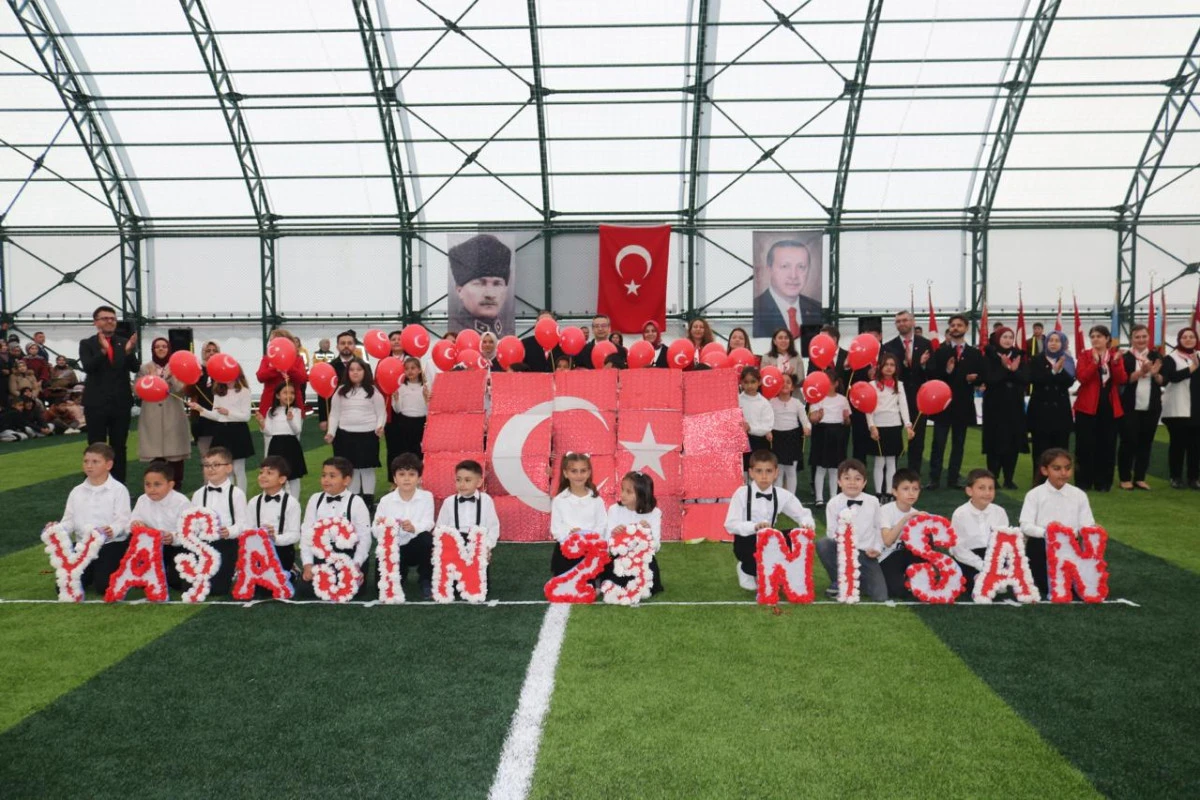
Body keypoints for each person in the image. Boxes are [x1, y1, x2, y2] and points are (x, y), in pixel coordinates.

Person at [724, 449, 814, 591]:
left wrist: (806, 524)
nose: (764, 476)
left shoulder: (782, 495)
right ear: (751, 473)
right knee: (751, 547)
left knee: (797, 537)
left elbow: (803, 514)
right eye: (759, 471)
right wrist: (754, 527)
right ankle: (745, 569)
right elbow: (730, 525)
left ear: (776, 473)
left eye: (769, 471)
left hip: (770, 541)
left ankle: (780, 573)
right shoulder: (741, 493)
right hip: (747, 541)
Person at [50, 443, 131, 596]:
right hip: (82, 545)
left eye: (95, 462)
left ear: (108, 465)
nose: (89, 465)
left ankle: (116, 567)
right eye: (86, 461)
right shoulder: (76, 492)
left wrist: (112, 529)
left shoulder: (119, 490)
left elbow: (123, 520)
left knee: (104, 587)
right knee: (65, 586)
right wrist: (58, 528)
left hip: (110, 544)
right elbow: (69, 520)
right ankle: (93, 569)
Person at [1019, 448, 1095, 596]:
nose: (1063, 473)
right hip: (1041, 546)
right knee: (1045, 587)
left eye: (1067, 468)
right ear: (1044, 470)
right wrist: (1049, 533)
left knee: (1074, 589)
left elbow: (1087, 525)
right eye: (1057, 468)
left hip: (1070, 547)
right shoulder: (1034, 495)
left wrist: (1070, 534)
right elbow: (1025, 525)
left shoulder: (1079, 495)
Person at [78, 305, 139, 483]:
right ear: (96, 322)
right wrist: (104, 350)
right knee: (96, 445)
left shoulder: (124, 342)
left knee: (119, 446)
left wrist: (129, 351)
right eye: (105, 318)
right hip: (96, 402)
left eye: (113, 318)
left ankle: (119, 487)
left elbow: (134, 367)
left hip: (120, 402)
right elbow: (88, 366)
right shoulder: (87, 343)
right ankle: (93, 485)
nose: (110, 321)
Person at [299, 457, 373, 599]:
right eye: (324, 475)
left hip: (349, 555)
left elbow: (364, 538)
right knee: (305, 590)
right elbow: (307, 534)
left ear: (346, 480)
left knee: (352, 592)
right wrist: (308, 564)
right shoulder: (315, 500)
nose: (326, 480)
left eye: (332, 476)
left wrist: (356, 565)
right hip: (321, 554)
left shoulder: (356, 502)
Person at [816, 458, 887, 602]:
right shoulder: (833, 503)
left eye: (857, 479)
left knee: (880, 596)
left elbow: (879, 528)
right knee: (824, 543)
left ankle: (857, 581)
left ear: (864, 482)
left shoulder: (873, 502)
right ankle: (839, 580)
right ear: (839, 482)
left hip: (866, 554)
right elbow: (831, 532)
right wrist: (846, 549)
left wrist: (877, 548)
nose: (852, 482)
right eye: (847, 478)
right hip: (843, 552)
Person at [926, 314, 982, 490]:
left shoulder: (974, 353)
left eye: (959, 325)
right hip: (943, 406)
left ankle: (953, 478)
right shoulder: (941, 352)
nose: (956, 328)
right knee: (938, 443)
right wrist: (947, 371)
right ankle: (934, 478)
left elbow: (982, 376)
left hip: (963, 405)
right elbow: (932, 376)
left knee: (958, 445)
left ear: (966, 328)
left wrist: (975, 379)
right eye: (953, 325)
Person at [324, 357, 386, 511]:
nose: (355, 372)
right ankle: (354, 501)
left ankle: (368, 502)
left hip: (368, 435)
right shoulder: (340, 391)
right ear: (347, 372)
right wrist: (331, 432)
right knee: (350, 469)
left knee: (366, 469)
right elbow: (334, 414)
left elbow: (381, 412)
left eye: (359, 369)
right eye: (352, 370)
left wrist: (380, 426)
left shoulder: (373, 391)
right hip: (345, 436)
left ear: (365, 372)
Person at [374, 453, 437, 600]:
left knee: (427, 538)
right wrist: (385, 528)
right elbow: (375, 529)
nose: (407, 478)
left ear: (419, 478)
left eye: (412, 474)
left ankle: (426, 579)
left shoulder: (427, 497)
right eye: (402, 474)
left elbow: (429, 523)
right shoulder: (385, 501)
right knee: (381, 587)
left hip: (417, 545)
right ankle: (399, 574)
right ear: (395, 479)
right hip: (395, 547)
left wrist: (414, 527)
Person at [1073, 325, 1126, 492]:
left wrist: (1116, 363)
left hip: (1109, 407)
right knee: (1084, 446)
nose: (1095, 339)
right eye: (1093, 336)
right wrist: (1094, 363)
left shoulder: (1114, 356)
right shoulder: (1085, 355)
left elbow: (1121, 379)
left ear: (1107, 339)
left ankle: (1103, 482)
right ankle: (1083, 481)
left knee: (1107, 446)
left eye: (1099, 336)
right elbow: (1082, 378)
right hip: (1087, 407)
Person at [190, 446, 248, 596]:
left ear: (228, 468)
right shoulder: (198, 494)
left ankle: (234, 571)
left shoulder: (236, 494)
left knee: (218, 589)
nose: (211, 469)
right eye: (207, 465)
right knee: (191, 583)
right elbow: (192, 521)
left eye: (216, 465)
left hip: (227, 543)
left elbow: (243, 524)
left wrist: (229, 531)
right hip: (203, 545)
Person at [882, 310, 932, 474]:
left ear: (912, 321)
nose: (901, 323)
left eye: (904, 320)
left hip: (919, 399)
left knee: (917, 440)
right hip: (895, 399)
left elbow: (933, 371)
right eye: (898, 321)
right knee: (892, 438)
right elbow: (886, 372)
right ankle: (890, 476)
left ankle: (913, 475)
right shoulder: (888, 346)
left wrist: (923, 365)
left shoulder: (926, 344)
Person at [137, 337, 191, 487]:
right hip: (152, 415)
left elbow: (182, 390)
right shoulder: (145, 368)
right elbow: (138, 391)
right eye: (157, 347)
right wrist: (150, 379)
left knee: (175, 455)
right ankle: (156, 486)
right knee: (155, 456)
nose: (161, 349)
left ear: (169, 349)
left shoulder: (176, 367)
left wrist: (172, 376)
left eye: (164, 346)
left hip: (173, 415)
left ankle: (176, 486)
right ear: (153, 350)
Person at [188, 366, 253, 489]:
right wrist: (200, 409)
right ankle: (228, 495)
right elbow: (217, 416)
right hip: (222, 431)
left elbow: (246, 417)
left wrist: (228, 412)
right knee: (226, 469)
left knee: (238, 469)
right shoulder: (218, 392)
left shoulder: (244, 391)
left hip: (238, 432)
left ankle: (241, 497)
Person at [130, 460, 190, 589]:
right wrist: (135, 523)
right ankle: (156, 571)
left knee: (177, 582)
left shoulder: (181, 502)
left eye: (157, 484)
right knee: (141, 580)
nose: (152, 489)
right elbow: (134, 519)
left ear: (170, 485)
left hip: (176, 546)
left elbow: (189, 533)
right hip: (151, 547)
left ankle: (167, 572)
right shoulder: (142, 500)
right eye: (148, 484)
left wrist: (173, 537)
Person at [981, 327, 1029, 490]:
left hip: (1014, 407)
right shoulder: (989, 356)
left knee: (1012, 444)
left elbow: (1025, 379)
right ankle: (993, 478)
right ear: (998, 339)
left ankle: (1009, 478)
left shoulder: (1019, 355)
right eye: (1004, 337)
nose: (1008, 340)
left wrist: (1013, 371)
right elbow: (989, 379)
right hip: (994, 407)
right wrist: (1005, 368)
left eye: (1010, 337)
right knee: (994, 444)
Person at [1118, 324, 1164, 491]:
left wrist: (1155, 374)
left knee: (1146, 443)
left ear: (1149, 337)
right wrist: (1142, 372)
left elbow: (1163, 381)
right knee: (1128, 442)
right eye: (1137, 337)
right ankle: (1125, 478)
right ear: (1131, 339)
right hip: (1130, 407)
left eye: (1144, 336)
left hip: (1152, 407)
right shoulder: (1126, 357)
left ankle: (1140, 477)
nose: (1141, 340)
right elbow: (1123, 380)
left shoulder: (1156, 356)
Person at [1026, 330, 1074, 485]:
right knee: (1040, 449)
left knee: (1060, 449)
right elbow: (1034, 379)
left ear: (1063, 344)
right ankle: (1039, 482)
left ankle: (1060, 479)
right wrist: (1053, 371)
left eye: (1057, 340)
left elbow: (1069, 382)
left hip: (1060, 412)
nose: (1053, 343)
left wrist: (1060, 370)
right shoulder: (1036, 360)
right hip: (1040, 411)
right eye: (1051, 340)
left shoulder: (1067, 360)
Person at [605, 471, 666, 595]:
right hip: (620, 559)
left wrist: (648, 534)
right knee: (615, 585)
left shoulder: (654, 513)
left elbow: (656, 547)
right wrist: (614, 534)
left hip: (643, 560)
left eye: (629, 492)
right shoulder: (614, 510)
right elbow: (608, 544)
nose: (622, 494)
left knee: (649, 587)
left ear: (642, 494)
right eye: (622, 489)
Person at [549, 452, 608, 577]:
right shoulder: (559, 500)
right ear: (565, 473)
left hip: (591, 550)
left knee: (590, 584)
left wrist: (587, 537)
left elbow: (602, 525)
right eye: (574, 471)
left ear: (589, 472)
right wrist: (570, 535)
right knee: (565, 584)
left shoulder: (596, 500)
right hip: (566, 551)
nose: (579, 475)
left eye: (583, 471)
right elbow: (556, 529)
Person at [949, 468, 1008, 592]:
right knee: (965, 576)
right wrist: (981, 565)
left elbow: (1003, 543)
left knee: (1008, 573)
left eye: (991, 488)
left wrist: (993, 564)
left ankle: (993, 579)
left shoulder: (1000, 512)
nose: (987, 492)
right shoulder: (960, 514)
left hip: (993, 556)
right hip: (968, 557)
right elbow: (958, 548)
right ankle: (979, 579)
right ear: (969, 491)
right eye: (981, 488)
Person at [866, 352, 913, 499]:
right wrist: (871, 426)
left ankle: (889, 492)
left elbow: (903, 406)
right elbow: (868, 407)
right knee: (879, 461)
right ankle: (878, 493)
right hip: (878, 426)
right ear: (880, 366)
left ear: (896, 368)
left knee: (892, 460)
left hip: (894, 425)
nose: (889, 367)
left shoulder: (899, 385)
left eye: (892, 365)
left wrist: (908, 425)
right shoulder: (872, 385)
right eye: (886, 364)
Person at [752, 239, 822, 337]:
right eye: (785, 266)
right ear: (769, 270)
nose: (793, 276)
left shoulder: (817, 309)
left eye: (801, 267)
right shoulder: (756, 309)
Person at [448, 233, 512, 336]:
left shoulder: (507, 332)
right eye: (480, 284)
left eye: (497, 284)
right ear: (459, 290)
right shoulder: (454, 334)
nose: (490, 294)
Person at [1160, 327, 1200, 489]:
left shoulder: (1198, 356)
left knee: (1195, 446)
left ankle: (1193, 478)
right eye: (1185, 337)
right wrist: (1192, 368)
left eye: (1192, 337)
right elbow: (1171, 378)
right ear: (1179, 339)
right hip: (1177, 409)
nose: (1188, 339)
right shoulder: (1170, 358)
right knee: (1178, 445)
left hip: (1196, 409)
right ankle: (1175, 476)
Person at [248, 455, 302, 574]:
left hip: (282, 551)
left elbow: (295, 535)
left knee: (275, 581)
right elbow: (249, 528)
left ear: (281, 479)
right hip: (258, 550)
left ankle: (291, 571)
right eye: (261, 472)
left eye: (269, 473)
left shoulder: (291, 503)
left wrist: (275, 538)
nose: (263, 476)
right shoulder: (253, 502)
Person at [435, 459, 501, 551]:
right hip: (453, 547)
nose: (462, 484)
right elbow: (440, 528)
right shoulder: (448, 502)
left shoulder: (486, 501)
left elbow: (493, 528)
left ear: (479, 482)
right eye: (458, 480)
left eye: (467, 480)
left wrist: (486, 547)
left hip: (478, 547)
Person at [808, 370, 851, 507]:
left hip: (837, 434)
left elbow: (847, 421)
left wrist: (846, 418)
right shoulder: (817, 398)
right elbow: (812, 418)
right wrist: (818, 417)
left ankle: (833, 497)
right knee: (820, 468)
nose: (826, 386)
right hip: (822, 433)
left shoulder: (842, 399)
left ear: (836, 384)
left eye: (829, 383)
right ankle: (819, 498)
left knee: (834, 468)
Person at [878, 468, 921, 599]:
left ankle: (912, 576)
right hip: (886, 555)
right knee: (897, 590)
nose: (911, 493)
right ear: (895, 491)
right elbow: (887, 541)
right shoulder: (885, 510)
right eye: (906, 489)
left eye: (915, 489)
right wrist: (905, 519)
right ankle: (905, 578)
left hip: (907, 554)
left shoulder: (917, 513)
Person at [260, 382, 307, 498]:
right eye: (285, 393)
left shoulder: (296, 411)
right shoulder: (271, 411)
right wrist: (262, 423)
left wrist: (290, 420)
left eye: (292, 393)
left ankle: (294, 501)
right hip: (276, 445)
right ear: (277, 395)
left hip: (291, 445)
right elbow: (269, 432)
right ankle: (278, 499)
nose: (289, 396)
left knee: (293, 477)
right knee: (276, 474)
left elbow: (297, 430)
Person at [255, 327, 308, 422]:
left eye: (273, 341)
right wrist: (276, 368)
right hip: (269, 405)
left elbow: (303, 378)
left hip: (293, 405)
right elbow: (260, 376)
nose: (271, 344)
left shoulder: (298, 359)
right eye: (270, 342)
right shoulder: (267, 359)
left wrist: (288, 366)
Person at [385, 357, 429, 469]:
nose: (410, 371)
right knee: (405, 453)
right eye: (407, 369)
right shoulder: (401, 387)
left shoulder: (426, 387)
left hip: (421, 423)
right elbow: (398, 409)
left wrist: (426, 399)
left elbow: (428, 410)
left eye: (413, 368)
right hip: (404, 423)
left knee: (420, 452)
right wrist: (396, 399)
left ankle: (420, 475)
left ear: (419, 370)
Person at [770, 373, 809, 494]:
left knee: (791, 471)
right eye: (782, 382)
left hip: (793, 438)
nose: (785, 384)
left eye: (788, 382)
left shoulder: (797, 403)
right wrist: (767, 431)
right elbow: (767, 419)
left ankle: (791, 498)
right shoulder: (771, 402)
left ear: (792, 387)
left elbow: (805, 420)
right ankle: (778, 498)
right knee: (778, 471)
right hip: (777, 438)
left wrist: (807, 427)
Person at [318, 330, 361, 430]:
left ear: (354, 346)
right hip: (336, 416)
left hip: (359, 415)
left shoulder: (364, 366)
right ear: (337, 347)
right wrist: (323, 418)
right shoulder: (329, 367)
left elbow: (370, 390)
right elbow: (322, 394)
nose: (346, 346)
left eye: (349, 343)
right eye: (343, 343)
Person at [738, 366, 773, 473]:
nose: (750, 385)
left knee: (758, 472)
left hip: (759, 443)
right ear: (741, 383)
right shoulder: (737, 400)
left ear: (759, 382)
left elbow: (767, 427)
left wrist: (750, 428)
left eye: (753, 382)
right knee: (743, 472)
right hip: (741, 442)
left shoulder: (764, 403)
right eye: (746, 382)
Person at [191, 340, 221, 457]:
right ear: (203, 353)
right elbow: (189, 392)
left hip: (220, 418)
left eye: (214, 350)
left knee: (221, 456)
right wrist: (195, 378)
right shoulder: (198, 370)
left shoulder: (224, 370)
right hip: (201, 419)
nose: (211, 353)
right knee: (206, 457)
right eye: (208, 351)